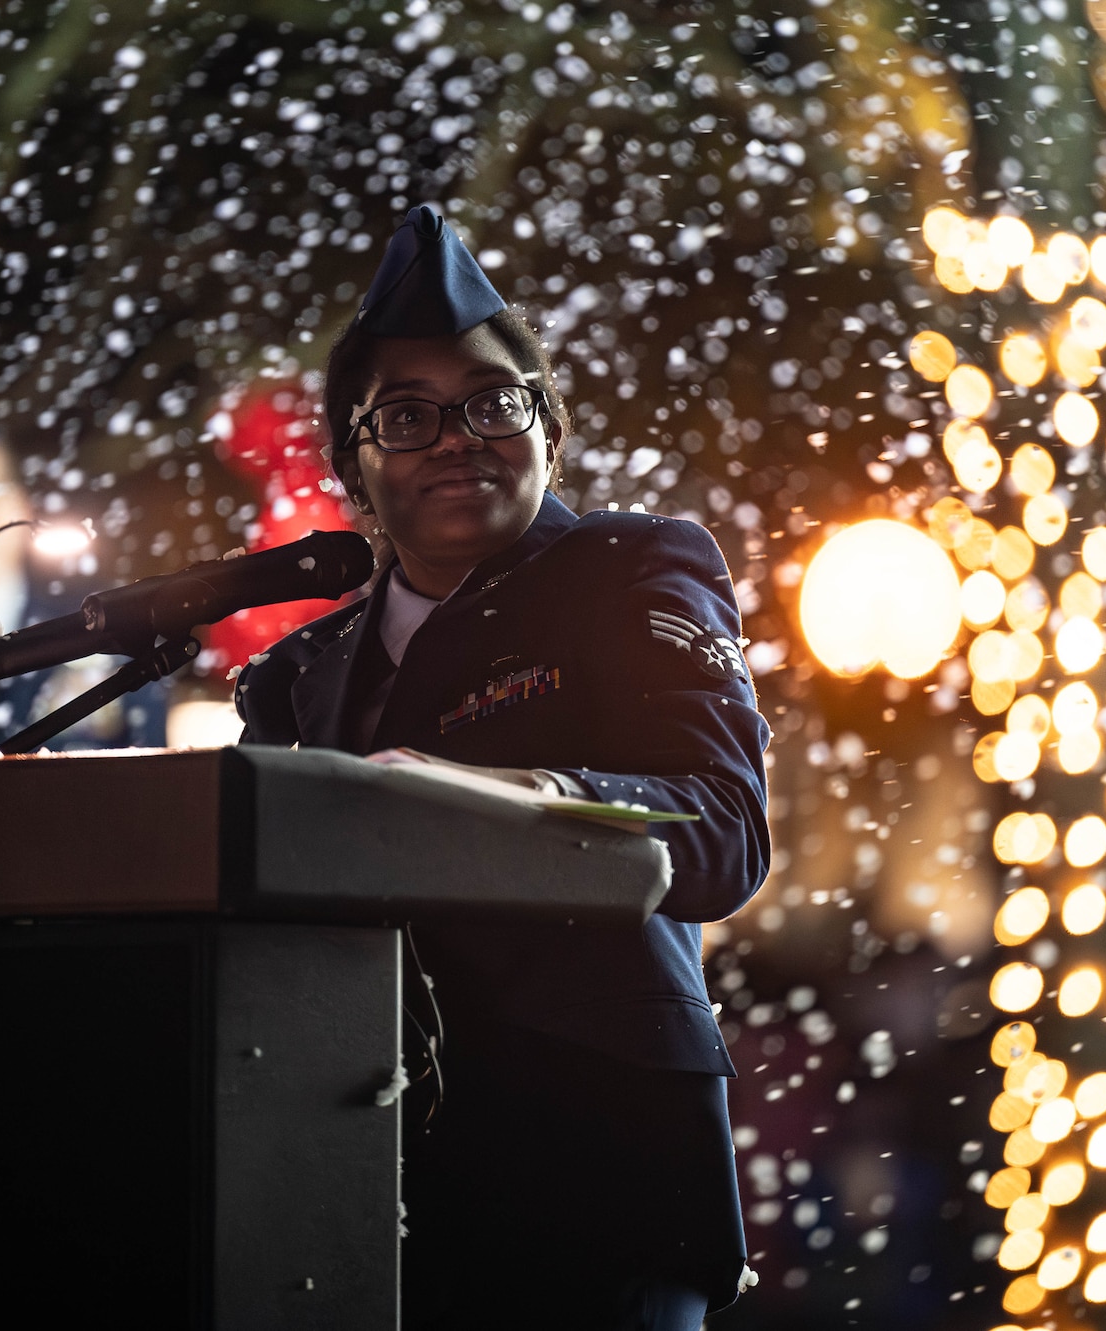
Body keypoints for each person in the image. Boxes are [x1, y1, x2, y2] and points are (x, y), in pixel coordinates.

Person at [234, 207, 771, 1329]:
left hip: (603, 1155)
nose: (454, 437)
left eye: (491, 402)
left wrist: (534, 801)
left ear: (547, 423)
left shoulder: (631, 567)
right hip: (358, 1163)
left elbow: (724, 832)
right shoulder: (295, 671)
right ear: (354, 460)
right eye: (407, 415)